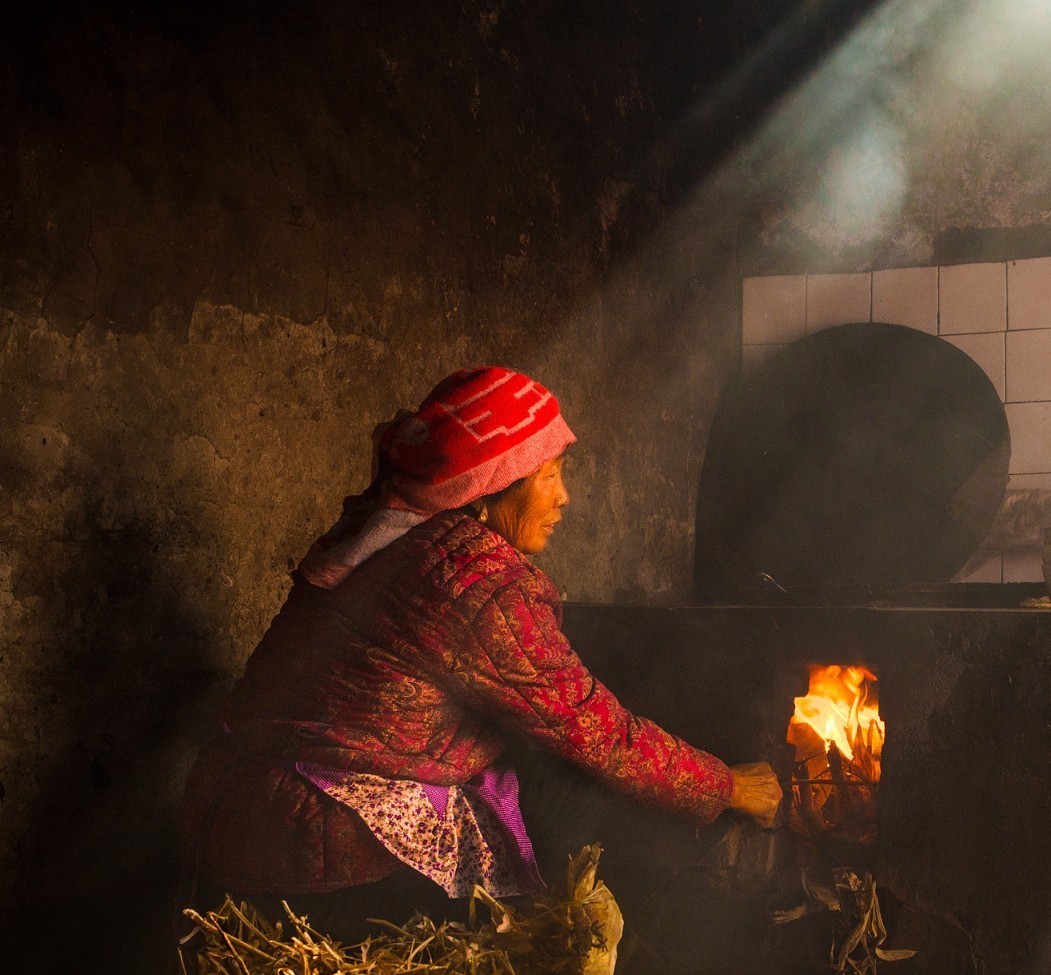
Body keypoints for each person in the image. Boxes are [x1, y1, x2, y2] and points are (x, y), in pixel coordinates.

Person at [179, 366, 782, 938]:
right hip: (315, 864)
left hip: (223, 830)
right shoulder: (476, 579)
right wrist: (727, 786)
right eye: (551, 474)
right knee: (575, 789)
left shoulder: (386, 533)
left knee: (521, 764)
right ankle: (597, 967)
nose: (564, 497)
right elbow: (600, 735)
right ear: (492, 487)